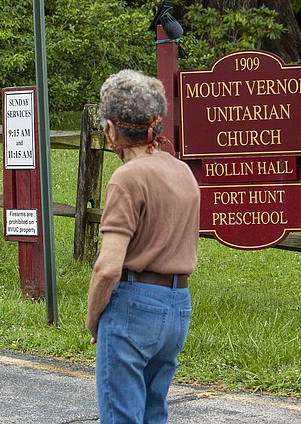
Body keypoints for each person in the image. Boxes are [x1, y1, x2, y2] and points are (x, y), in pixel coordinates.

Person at [86, 69, 200, 423]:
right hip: (177, 307)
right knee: (154, 413)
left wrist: (94, 320)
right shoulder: (182, 171)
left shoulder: (127, 177)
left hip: (133, 307)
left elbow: (108, 268)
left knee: (122, 416)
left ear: (111, 129)